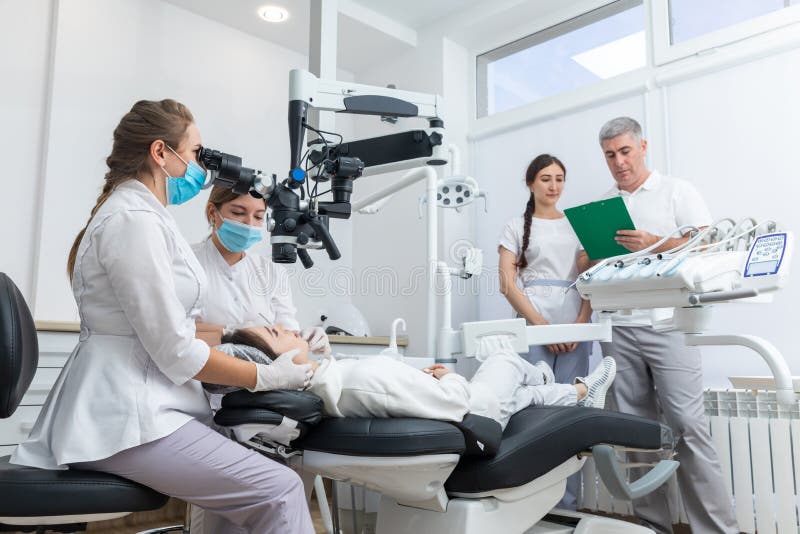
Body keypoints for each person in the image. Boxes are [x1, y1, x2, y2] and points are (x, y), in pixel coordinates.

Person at [10, 100, 315, 534]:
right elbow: (176, 350)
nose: (201, 167)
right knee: (280, 489)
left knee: (248, 489)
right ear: (160, 152)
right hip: (126, 418)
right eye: (195, 153)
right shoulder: (134, 221)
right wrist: (265, 376)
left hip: (141, 407)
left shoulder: (145, 216)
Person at [587, 116, 737, 534]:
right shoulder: (603, 205)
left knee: (687, 426)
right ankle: (653, 527)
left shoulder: (676, 191)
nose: (619, 162)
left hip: (670, 324)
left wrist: (657, 241)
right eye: (610, 155)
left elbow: (711, 246)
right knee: (635, 431)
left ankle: (717, 530)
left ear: (643, 147)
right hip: (619, 326)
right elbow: (597, 263)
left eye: (625, 151)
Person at [207, 324, 618, 430]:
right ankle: (545, 379)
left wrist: (326, 355)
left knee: (522, 398)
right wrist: (449, 379)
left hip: (477, 406)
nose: (289, 327)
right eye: (277, 332)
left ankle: (577, 391)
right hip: (478, 412)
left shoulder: (334, 379)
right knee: (505, 360)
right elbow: (455, 402)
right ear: (278, 364)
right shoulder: (358, 379)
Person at [498, 154, 593, 509]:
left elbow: (589, 278)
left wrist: (580, 325)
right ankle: (530, 505)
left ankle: (567, 506)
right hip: (533, 323)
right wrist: (542, 328)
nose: (554, 186)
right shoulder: (514, 227)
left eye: (559, 179)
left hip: (575, 323)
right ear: (530, 183)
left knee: (572, 411)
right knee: (532, 412)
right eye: (545, 178)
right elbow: (507, 283)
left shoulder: (577, 225)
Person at [191, 186, 330, 355]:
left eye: (258, 216)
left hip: (268, 370)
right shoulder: (184, 262)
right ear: (213, 212)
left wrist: (306, 338)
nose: (249, 224)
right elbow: (174, 335)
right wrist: (235, 333)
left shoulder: (272, 271)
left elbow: (287, 335)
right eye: (238, 213)